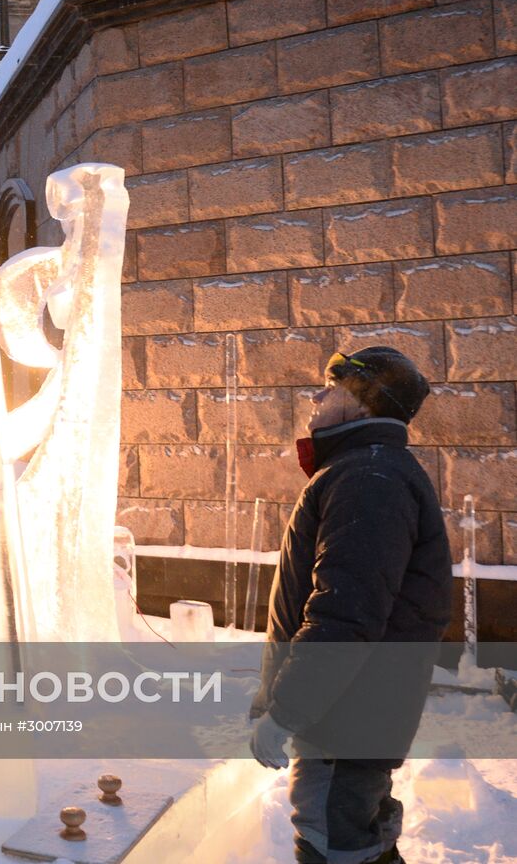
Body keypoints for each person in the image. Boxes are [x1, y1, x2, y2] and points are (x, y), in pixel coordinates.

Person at [249, 346, 452, 864]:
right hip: (353, 714)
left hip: (344, 722)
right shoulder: (365, 470)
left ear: (364, 407)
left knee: (333, 846)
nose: (315, 396)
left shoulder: (369, 479)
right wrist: (279, 697)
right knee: (357, 840)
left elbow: (343, 616)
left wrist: (288, 710)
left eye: (330, 387)